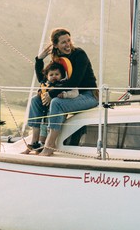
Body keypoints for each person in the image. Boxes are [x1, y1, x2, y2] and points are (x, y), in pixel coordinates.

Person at [24, 27, 99, 155]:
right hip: (69, 95)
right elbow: (44, 79)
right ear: (56, 45)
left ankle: (50, 145)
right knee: (36, 100)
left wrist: (51, 93)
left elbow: (74, 82)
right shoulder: (58, 58)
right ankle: (35, 143)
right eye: (63, 42)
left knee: (56, 103)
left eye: (69, 40)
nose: (68, 44)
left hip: (88, 96)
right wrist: (39, 60)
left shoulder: (79, 55)